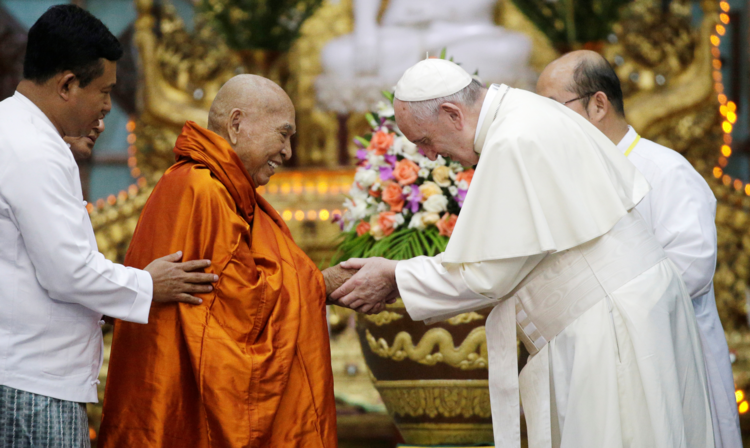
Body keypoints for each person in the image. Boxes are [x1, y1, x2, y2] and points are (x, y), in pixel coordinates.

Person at [331, 59, 715, 448]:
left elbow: (488, 275)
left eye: (425, 141)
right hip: (617, 317)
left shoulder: (513, 138)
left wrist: (394, 276)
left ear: (452, 114)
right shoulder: (526, 115)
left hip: (612, 330)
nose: (428, 157)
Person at [0, 6, 217, 447]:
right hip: (34, 384)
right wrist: (149, 284)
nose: (105, 107)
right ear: (67, 85)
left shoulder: (15, 128)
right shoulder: (34, 149)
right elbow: (69, 272)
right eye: (104, 91)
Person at [98, 75, 347, 448]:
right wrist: (319, 284)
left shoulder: (217, 188)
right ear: (236, 124)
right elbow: (238, 312)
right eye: (283, 135)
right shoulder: (203, 191)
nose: (288, 152)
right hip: (183, 411)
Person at [535, 50, 742, 448]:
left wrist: (598, 303)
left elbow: (692, 269)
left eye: (554, 108)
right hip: (595, 370)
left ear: (598, 105)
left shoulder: (665, 171)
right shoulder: (566, 180)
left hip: (669, 362)